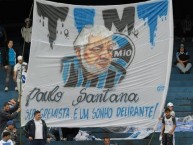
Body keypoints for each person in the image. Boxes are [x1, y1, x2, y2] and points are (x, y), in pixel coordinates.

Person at [61, 25, 134, 88]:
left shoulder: (118, 74)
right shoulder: (65, 69)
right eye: (97, 49)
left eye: (109, 49)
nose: (105, 55)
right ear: (79, 52)